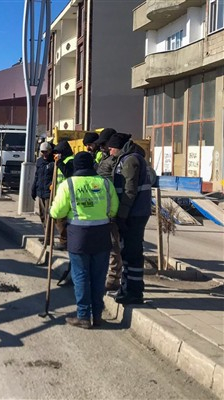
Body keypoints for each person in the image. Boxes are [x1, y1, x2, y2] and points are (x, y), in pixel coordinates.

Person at [50, 152, 119, 328]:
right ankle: (97, 315)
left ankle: (83, 316)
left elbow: (57, 212)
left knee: (81, 276)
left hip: (78, 236)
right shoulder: (105, 183)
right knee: (98, 277)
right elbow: (114, 209)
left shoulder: (69, 184)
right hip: (102, 235)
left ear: (76, 166)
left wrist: (53, 210)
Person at [106, 132, 152, 304]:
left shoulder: (130, 160)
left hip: (134, 214)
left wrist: (122, 216)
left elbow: (129, 191)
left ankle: (133, 291)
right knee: (128, 252)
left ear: (118, 147)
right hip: (134, 213)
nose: (110, 152)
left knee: (132, 253)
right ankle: (129, 288)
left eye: (111, 149)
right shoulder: (127, 158)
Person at [93, 128, 124, 291]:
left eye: (104, 145)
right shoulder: (106, 158)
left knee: (114, 244)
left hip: (112, 208)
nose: (102, 148)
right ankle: (110, 275)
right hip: (102, 207)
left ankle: (114, 279)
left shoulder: (116, 161)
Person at [52, 139, 74, 250]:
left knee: (61, 219)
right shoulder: (62, 161)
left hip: (68, 195)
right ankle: (63, 240)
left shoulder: (70, 160)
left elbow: (68, 173)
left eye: (58, 152)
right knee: (59, 219)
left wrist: (60, 162)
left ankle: (64, 242)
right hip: (60, 194)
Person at [31, 141, 54, 239]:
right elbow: (37, 176)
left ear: (50, 151)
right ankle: (45, 234)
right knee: (42, 215)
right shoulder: (39, 161)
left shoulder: (53, 162)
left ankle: (48, 237)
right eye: (42, 152)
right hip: (40, 192)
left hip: (49, 193)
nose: (44, 154)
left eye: (46, 152)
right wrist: (33, 189)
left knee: (48, 215)